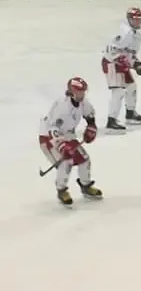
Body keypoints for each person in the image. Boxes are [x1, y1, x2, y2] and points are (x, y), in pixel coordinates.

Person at [38, 77, 101, 206]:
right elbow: (53, 129)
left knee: (84, 159)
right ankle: (61, 190)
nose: (82, 94)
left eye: (83, 91)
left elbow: (90, 116)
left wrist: (91, 127)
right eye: (79, 92)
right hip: (48, 137)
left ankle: (86, 185)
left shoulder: (83, 102)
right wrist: (62, 146)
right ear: (72, 92)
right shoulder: (62, 107)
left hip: (67, 134)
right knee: (66, 161)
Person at [102, 7, 141, 130]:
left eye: (139, 19)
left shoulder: (137, 36)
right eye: (135, 19)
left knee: (132, 86)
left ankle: (130, 114)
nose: (137, 22)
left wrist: (137, 64)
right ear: (129, 20)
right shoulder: (123, 32)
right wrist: (121, 59)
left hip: (121, 64)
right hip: (111, 63)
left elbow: (130, 54)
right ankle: (111, 121)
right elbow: (111, 50)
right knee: (118, 91)